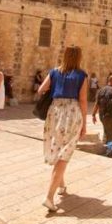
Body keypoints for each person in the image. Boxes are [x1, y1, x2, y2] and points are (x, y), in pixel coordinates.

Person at [38, 46, 88, 213]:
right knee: (64, 155)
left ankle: (62, 185)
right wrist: (84, 125)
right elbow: (82, 101)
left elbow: (40, 90)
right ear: (79, 57)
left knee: (59, 149)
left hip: (55, 112)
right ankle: (49, 197)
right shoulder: (81, 75)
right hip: (72, 114)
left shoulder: (54, 72)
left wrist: (57, 88)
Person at [93, 74, 112, 145]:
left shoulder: (100, 90)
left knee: (106, 131)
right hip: (111, 116)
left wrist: (93, 115)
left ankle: (104, 147)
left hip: (102, 115)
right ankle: (108, 151)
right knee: (111, 134)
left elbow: (96, 104)